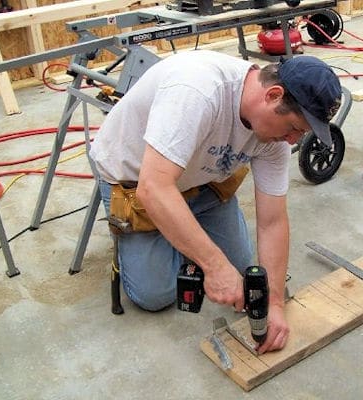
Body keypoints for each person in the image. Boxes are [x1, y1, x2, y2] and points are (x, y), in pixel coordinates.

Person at [89, 50, 341, 354]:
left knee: (246, 281)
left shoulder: (273, 137)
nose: (292, 141)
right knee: (156, 295)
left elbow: (273, 220)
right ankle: (168, 233)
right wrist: (214, 266)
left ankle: (180, 230)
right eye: (294, 129)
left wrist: (275, 303)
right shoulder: (197, 91)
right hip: (137, 182)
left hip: (202, 184)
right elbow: (153, 188)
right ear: (274, 96)